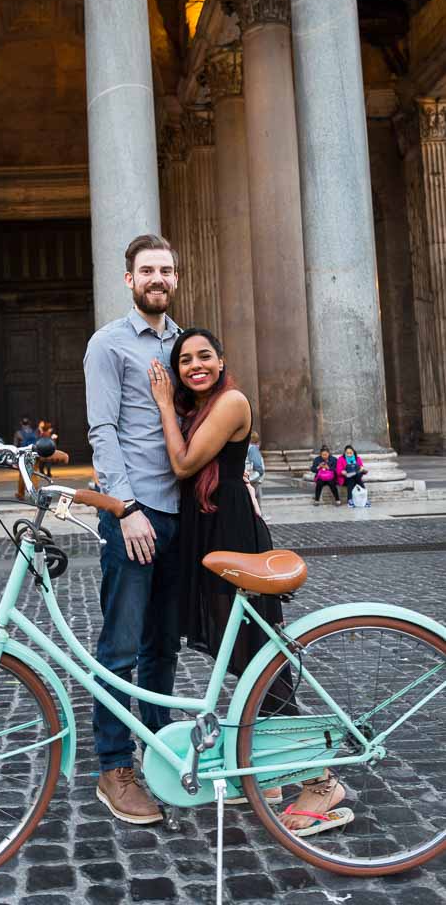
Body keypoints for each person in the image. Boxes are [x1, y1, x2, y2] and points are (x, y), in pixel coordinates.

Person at [149, 329, 347, 835]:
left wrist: (163, 406)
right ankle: (274, 772)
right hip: (210, 530)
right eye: (185, 359)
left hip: (233, 532)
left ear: (222, 361)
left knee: (258, 657)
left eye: (204, 356)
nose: (195, 365)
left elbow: (184, 463)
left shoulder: (232, 400)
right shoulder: (201, 407)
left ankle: (321, 779)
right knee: (234, 653)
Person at [84, 233, 181, 825]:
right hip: (134, 514)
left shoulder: (184, 344)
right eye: (147, 270)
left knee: (162, 646)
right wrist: (125, 508)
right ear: (129, 280)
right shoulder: (108, 344)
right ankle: (115, 765)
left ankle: (161, 751)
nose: (157, 279)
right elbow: (103, 432)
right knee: (119, 646)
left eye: (166, 271)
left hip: (180, 516)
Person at [13, 417, 37, 500]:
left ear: (21, 423)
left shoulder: (18, 433)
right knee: (33, 474)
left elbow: (15, 446)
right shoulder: (34, 432)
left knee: (22, 475)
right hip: (33, 454)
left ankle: (21, 493)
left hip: (23, 455)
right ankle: (34, 493)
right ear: (29, 423)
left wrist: (14, 459)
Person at [245, 430, 265, 512]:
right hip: (254, 479)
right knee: (255, 502)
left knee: (255, 501)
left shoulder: (249, 448)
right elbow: (258, 466)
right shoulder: (253, 448)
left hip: (252, 478)